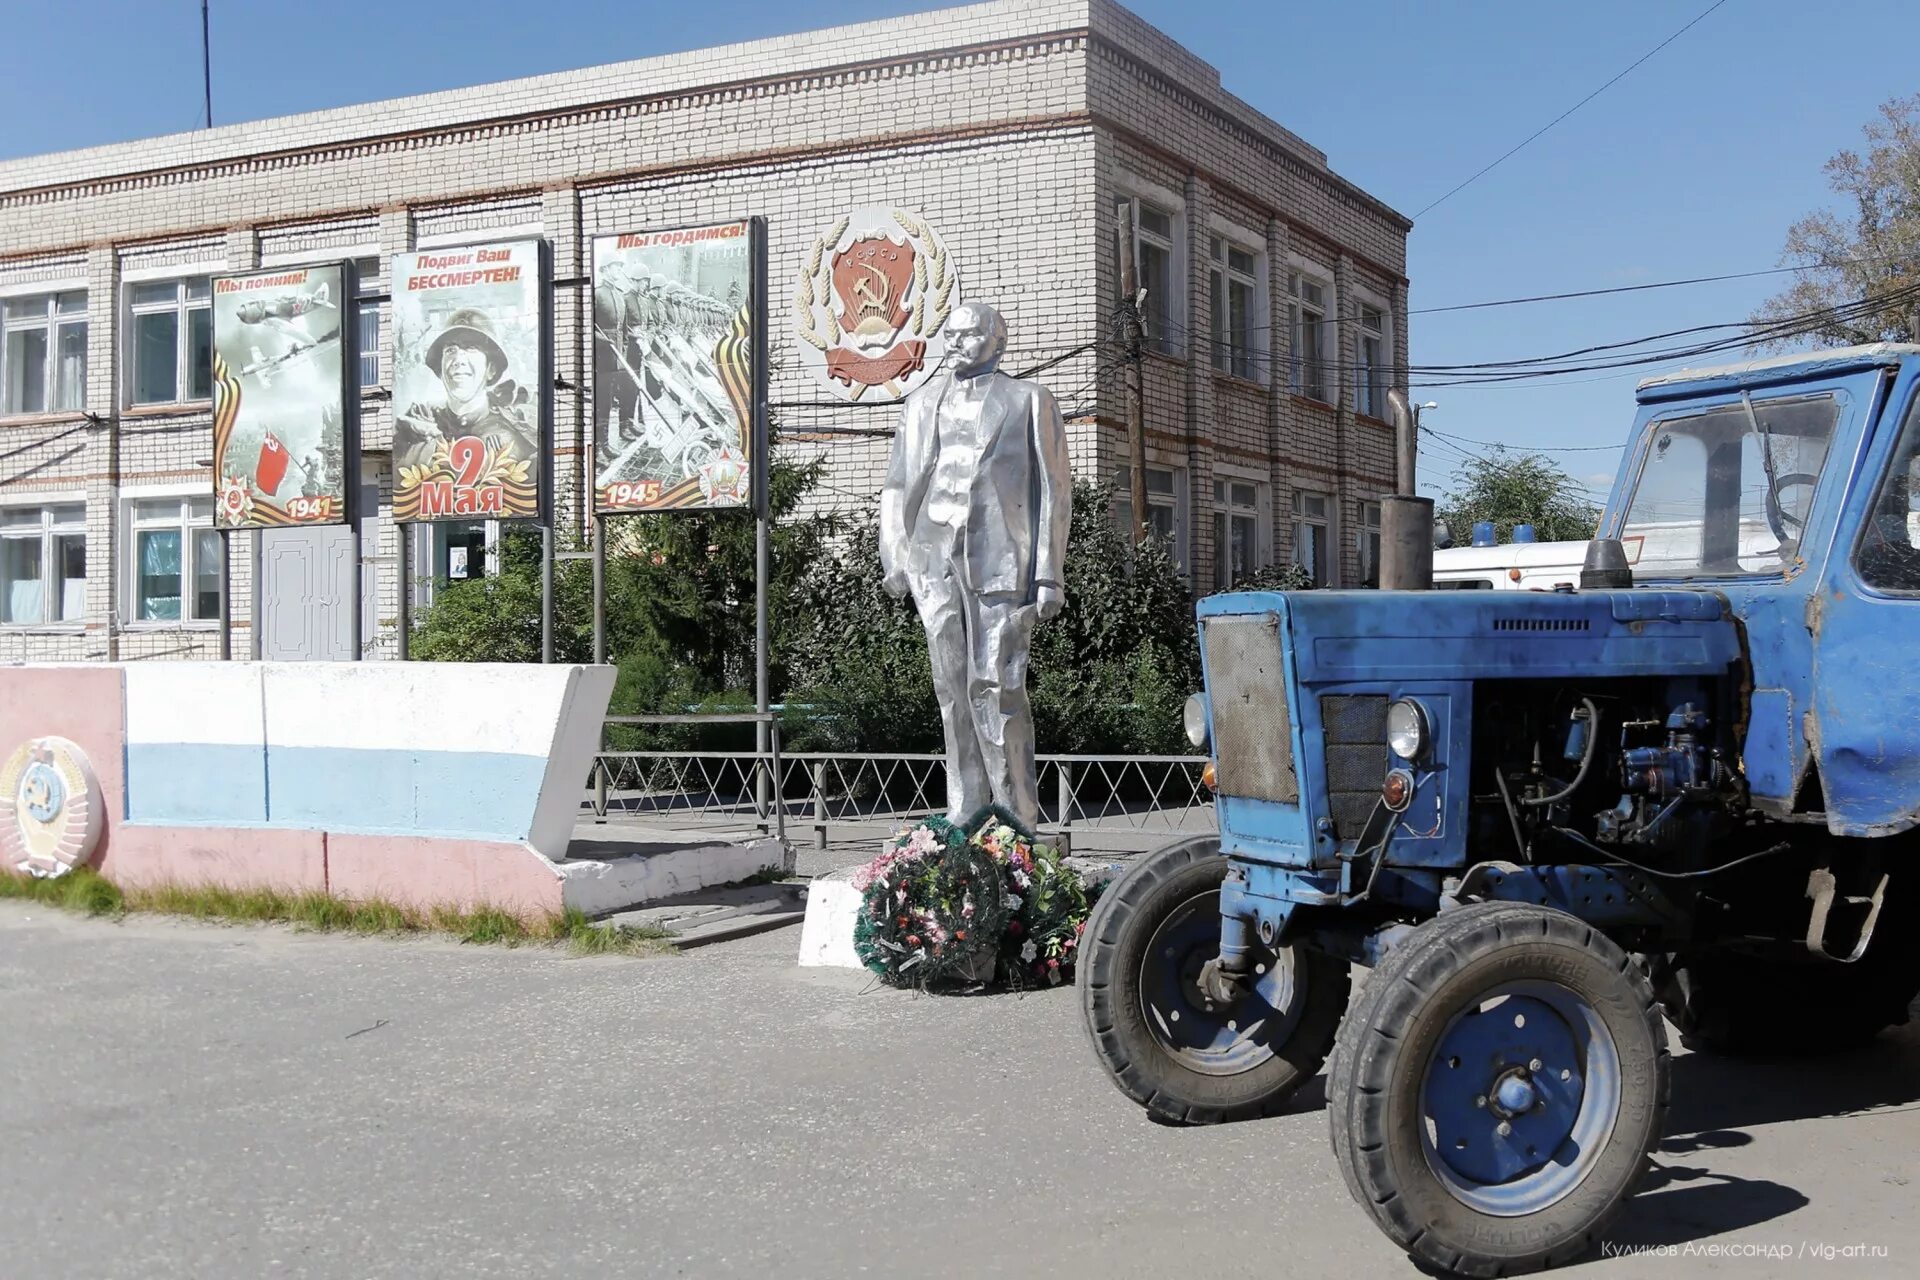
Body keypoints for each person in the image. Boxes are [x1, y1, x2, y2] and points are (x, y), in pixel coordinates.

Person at [879, 301, 1071, 829]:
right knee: (951, 686)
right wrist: (895, 554)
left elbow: (1055, 489)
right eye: (950, 335)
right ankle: (964, 808)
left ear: (997, 341)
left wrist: (1049, 573)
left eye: (967, 335)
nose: (954, 344)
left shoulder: (1029, 399)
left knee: (999, 686)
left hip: (1000, 562)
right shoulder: (920, 403)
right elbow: (898, 485)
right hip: (931, 556)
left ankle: (1015, 817)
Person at [395, 308, 537, 472]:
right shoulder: (417, 431)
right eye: (450, 350)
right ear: (440, 371)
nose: (458, 359)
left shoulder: (517, 436)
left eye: (471, 348)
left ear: (491, 368)